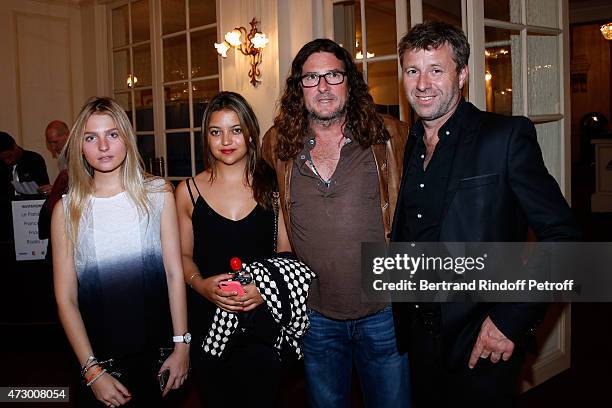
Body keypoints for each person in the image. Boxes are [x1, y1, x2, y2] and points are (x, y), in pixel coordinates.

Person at [391, 21, 580, 406]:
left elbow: (564, 238)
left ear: (462, 75)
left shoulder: (505, 137)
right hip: (417, 340)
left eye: (435, 70)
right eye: (413, 71)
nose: (422, 83)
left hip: (481, 341)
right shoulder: (409, 143)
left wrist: (509, 320)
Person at [262, 38, 411, 407]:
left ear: (350, 82)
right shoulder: (278, 144)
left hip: (385, 313)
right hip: (316, 318)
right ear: (299, 88)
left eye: (333, 75)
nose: (324, 86)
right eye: (312, 78)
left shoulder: (391, 136)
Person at [52, 97, 190, 407]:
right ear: (81, 147)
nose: (103, 145)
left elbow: (173, 273)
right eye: (91, 137)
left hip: (159, 354)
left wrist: (182, 347)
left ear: (126, 138)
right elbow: (66, 299)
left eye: (112, 134)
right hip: (100, 360)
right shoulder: (67, 210)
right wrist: (93, 372)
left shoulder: (158, 194)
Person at [175, 91, 293, 407]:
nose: (226, 140)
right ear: (206, 138)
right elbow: (183, 257)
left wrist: (265, 289)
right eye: (216, 131)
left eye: (236, 129)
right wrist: (200, 284)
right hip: (208, 327)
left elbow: (284, 252)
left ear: (250, 134)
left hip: (264, 328)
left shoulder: (274, 186)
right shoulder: (188, 191)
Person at [39, 120, 70, 246]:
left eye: (55, 142)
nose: (52, 147)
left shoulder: (78, 153)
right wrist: (56, 188)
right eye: (49, 143)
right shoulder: (66, 155)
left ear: (67, 136)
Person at [0, 131, 49, 196]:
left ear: (15, 146)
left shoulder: (34, 160)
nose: (7, 161)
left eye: (9, 157)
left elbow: (45, 189)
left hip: (32, 204)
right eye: (3, 159)